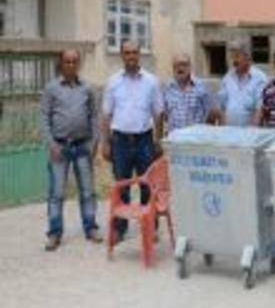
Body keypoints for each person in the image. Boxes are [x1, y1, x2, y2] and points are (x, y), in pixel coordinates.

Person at [101, 40, 164, 240]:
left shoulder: (151, 81)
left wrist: (158, 140)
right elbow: (106, 115)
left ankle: (150, 227)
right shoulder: (112, 82)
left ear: (139, 54)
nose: (131, 56)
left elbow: (158, 113)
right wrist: (105, 142)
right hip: (119, 140)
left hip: (144, 140)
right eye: (127, 52)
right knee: (122, 185)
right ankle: (120, 228)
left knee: (148, 186)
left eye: (134, 52)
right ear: (122, 55)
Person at [40, 49, 102, 250]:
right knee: (56, 193)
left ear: (79, 64)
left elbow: (95, 117)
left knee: (87, 191)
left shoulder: (87, 88)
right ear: (61, 63)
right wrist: (51, 144)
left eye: (75, 61)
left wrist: (93, 144)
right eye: (67, 61)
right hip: (59, 147)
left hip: (83, 146)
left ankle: (91, 227)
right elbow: (44, 119)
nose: (71, 65)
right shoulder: (51, 89)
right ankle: (55, 233)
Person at [217, 41, 268, 127]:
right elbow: (222, 107)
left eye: (237, 56)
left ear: (247, 58)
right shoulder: (227, 78)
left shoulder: (259, 78)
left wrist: (253, 133)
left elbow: (259, 110)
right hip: (229, 132)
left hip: (248, 134)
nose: (234, 61)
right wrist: (222, 130)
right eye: (232, 57)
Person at [162, 54, 215, 134]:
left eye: (184, 64)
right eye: (177, 65)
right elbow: (165, 116)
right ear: (173, 68)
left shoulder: (201, 87)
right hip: (174, 140)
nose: (180, 68)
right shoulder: (167, 89)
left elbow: (211, 115)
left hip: (195, 140)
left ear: (190, 67)